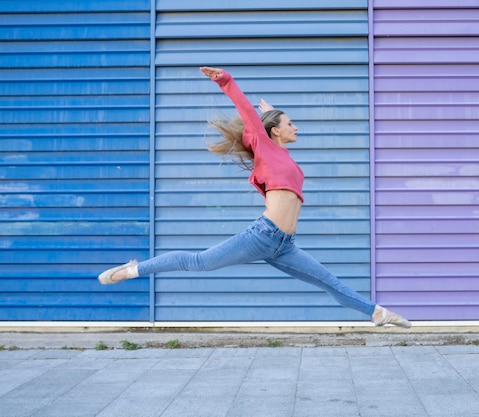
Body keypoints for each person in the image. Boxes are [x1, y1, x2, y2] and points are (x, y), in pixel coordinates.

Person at [98, 66, 411, 328]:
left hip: (284, 246)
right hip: (263, 235)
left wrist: (270, 113)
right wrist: (226, 81)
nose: (296, 127)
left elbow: (264, 124)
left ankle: (377, 313)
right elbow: (247, 113)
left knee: (328, 281)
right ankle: (132, 269)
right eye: (290, 124)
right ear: (275, 131)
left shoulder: (284, 156)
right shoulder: (265, 147)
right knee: (199, 261)